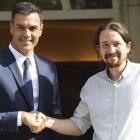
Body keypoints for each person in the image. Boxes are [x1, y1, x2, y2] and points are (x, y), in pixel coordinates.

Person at [31, 21, 140, 140]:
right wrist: (46, 121)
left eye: (117, 44)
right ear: (99, 49)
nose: (111, 50)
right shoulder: (92, 84)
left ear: (128, 47)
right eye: (105, 45)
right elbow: (79, 124)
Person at [0, 2, 62, 140]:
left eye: (33, 28)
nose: (26, 34)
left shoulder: (49, 67)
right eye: (20, 27)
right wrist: (21, 117)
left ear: (41, 30)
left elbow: (55, 116)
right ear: (11, 27)